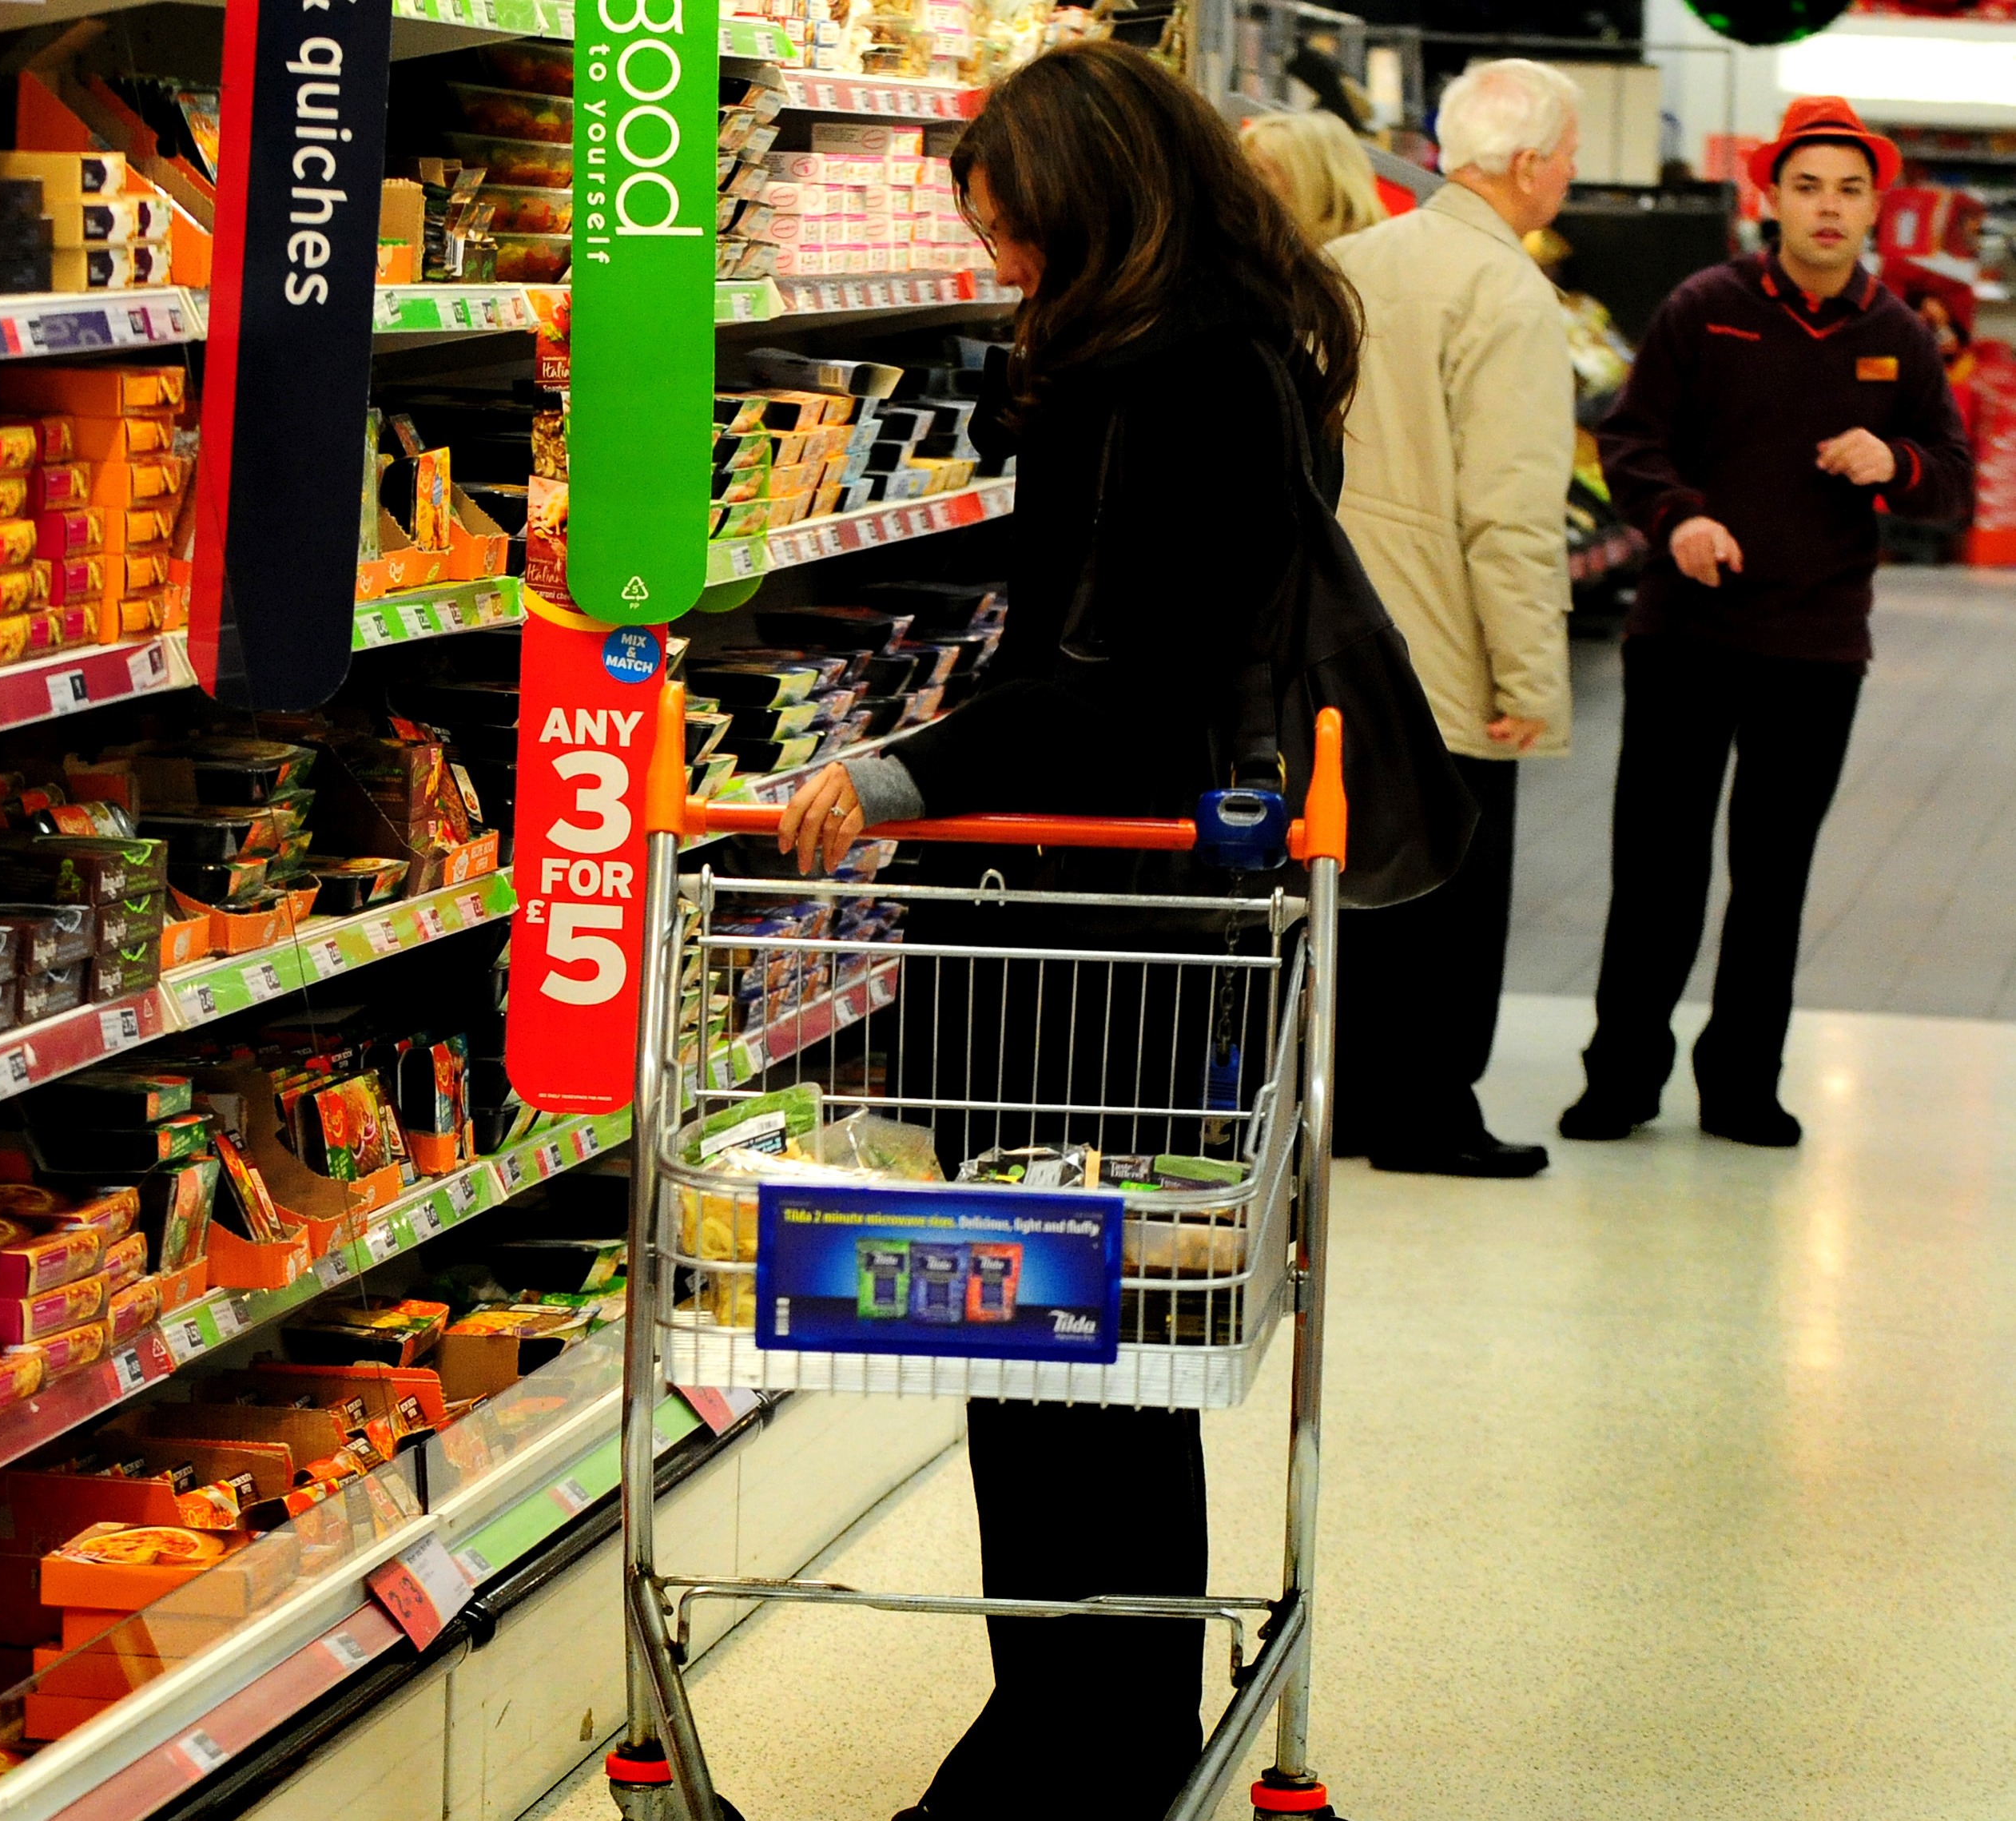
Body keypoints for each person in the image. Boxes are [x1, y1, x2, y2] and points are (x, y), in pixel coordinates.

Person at [773, 40, 1363, 1818]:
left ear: (1099, 200)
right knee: (1086, 1353)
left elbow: (1110, 680)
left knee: (1056, 1348)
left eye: (1014, 227)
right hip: (1132, 914)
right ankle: (1084, 1724)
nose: (1001, 260)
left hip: (1090, 926)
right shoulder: (1230, 343)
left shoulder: (1164, 373)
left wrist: (901, 772)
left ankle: (1077, 1739)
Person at [1561, 97, 1973, 1146]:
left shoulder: (1898, 337)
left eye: (1848, 190)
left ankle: (1742, 1083)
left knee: (1772, 876)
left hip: (1815, 650)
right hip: (1684, 639)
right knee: (1657, 869)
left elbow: (1951, 481)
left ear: (1874, 208)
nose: (1827, 207)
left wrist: (1896, 461)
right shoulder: (1704, 308)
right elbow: (1631, 443)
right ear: (1772, 199)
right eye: (1807, 186)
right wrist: (1681, 518)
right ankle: (1621, 1076)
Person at [1312, 58, 1581, 1177]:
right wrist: (1530, 679)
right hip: (1447, 642)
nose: (1567, 177)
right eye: (1565, 158)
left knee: (1354, 877)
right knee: (1452, 888)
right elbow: (1508, 514)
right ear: (1525, 164)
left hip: (1335, 631)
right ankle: (1430, 1109)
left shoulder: (1346, 263)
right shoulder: (1507, 292)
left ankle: (1347, 1102)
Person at [1241, 108, 1384, 248]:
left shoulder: (1367, 255)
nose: (1244, 184)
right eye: (1245, 172)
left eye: (1261, 173)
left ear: (1316, 184)